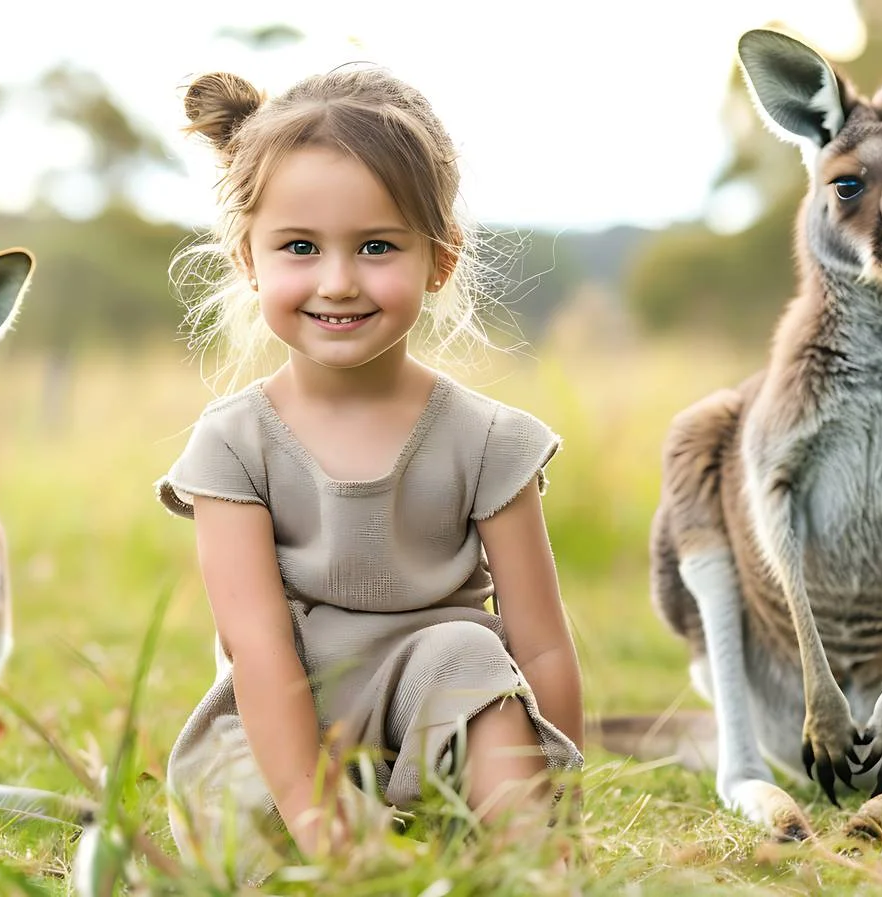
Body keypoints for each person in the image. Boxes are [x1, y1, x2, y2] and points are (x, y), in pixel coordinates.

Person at [157, 66, 584, 879]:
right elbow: (260, 652)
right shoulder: (233, 445)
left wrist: (564, 803)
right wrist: (320, 822)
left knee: (470, 652)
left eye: (377, 245)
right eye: (300, 247)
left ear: (441, 259)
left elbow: (541, 644)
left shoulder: (490, 440)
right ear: (248, 257)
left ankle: (519, 856)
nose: (339, 280)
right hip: (288, 717)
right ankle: (344, 853)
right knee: (239, 806)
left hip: (441, 709)